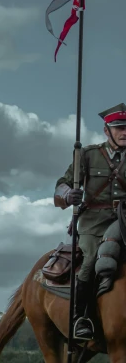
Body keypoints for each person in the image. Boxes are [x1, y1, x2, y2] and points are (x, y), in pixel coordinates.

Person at [54, 102, 126, 339]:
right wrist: (68, 194)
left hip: (124, 219)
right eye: (118, 128)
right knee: (93, 259)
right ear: (107, 131)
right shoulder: (88, 155)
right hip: (94, 221)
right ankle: (81, 318)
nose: (124, 132)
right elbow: (61, 184)